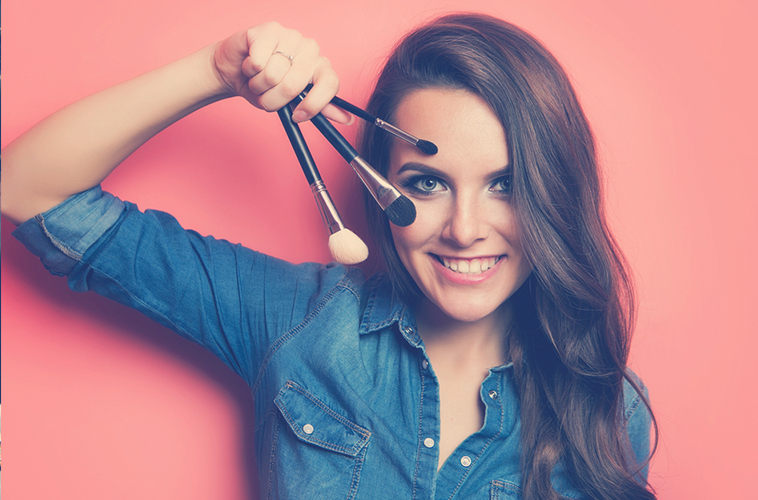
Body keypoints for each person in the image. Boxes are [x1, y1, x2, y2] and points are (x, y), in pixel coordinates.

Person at [2, 13, 656, 500]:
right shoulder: (299, 319)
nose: (464, 229)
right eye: (427, 183)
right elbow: (30, 189)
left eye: (504, 186)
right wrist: (216, 70)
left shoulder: (608, 410)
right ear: (379, 185)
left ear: (554, 194)